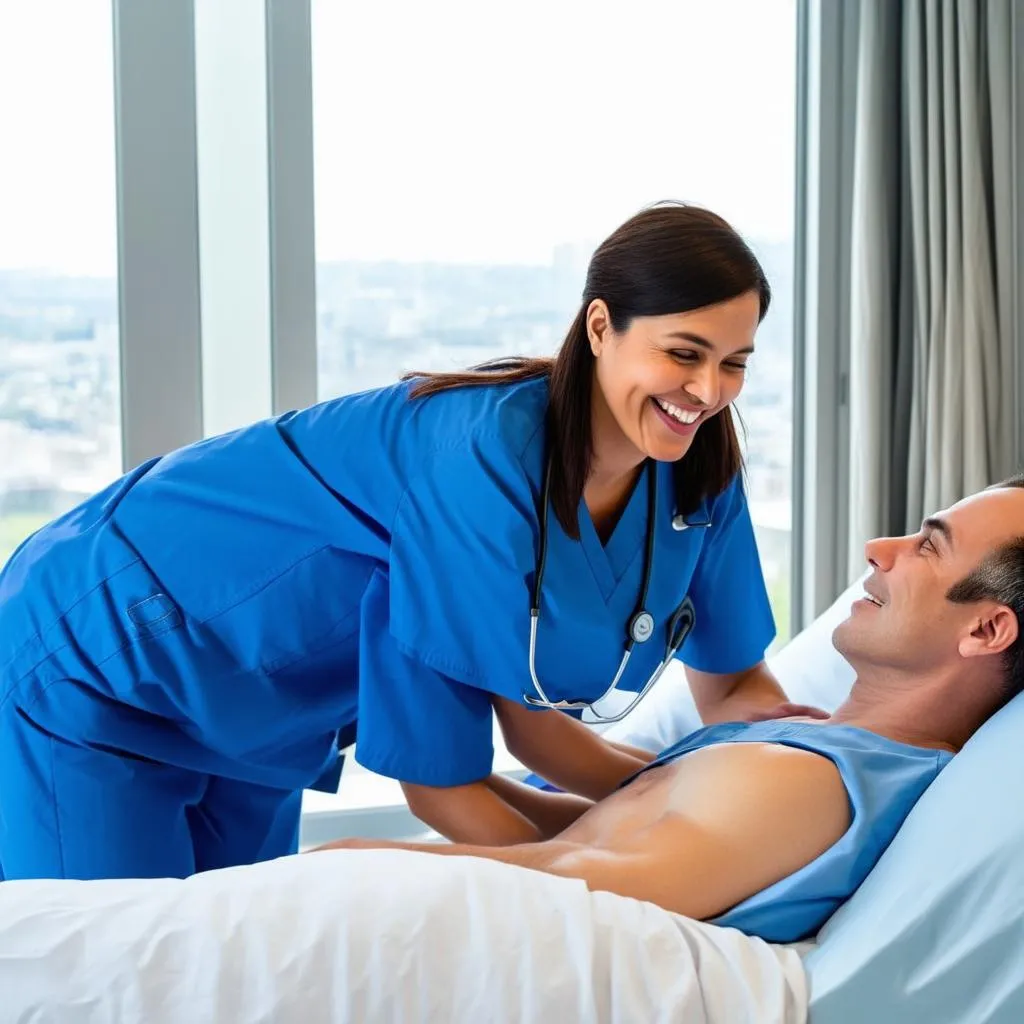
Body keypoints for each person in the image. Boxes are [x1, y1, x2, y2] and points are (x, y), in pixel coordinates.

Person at [0, 202, 807, 883]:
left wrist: (793, 769)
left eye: (735, 363)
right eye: (684, 354)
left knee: (226, 979)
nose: (708, 392)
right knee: (111, 977)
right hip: (106, 658)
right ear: (601, 326)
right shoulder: (483, 459)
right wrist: (639, 855)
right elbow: (446, 787)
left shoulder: (698, 469)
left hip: (263, 717)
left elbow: (734, 688)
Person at [316, 477, 1024, 943]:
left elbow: (588, 884)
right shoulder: (809, 745)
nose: (879, 550)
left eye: (927, 547)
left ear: (987, 630)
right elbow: (609, 821)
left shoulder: (809, 784)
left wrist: (353, 862)